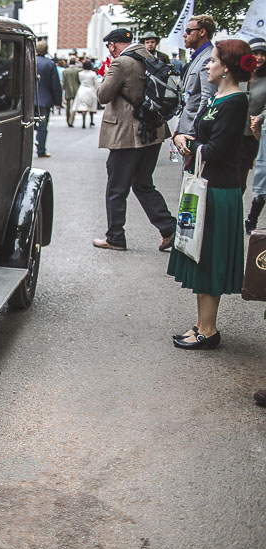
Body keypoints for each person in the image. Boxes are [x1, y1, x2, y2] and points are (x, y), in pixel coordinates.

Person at [169, 40, 255, 349]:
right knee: (199, 257)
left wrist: (187, 143)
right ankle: (202, 325)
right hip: (204, 186)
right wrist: (184, 138)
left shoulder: (235, 102)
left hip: (218, 191)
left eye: (214, 60)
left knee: (209, 259)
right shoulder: (217, 98)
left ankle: (209, 330)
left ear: (227, 67)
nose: (208, 65)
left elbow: (217, 150)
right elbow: (202, 138)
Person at [93, 28, 176, 252]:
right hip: (153, 130)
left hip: (128, 134)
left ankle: (115, 237)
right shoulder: (150, 57)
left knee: (116, 189)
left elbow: (103, 95)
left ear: (112, 45)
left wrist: (106, 73)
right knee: (143, 184)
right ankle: (169, 228)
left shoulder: (121, 63)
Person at [176, 15, 218, 138]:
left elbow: (207, 99)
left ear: (202, 32)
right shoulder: (199, 57)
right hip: (186, 129)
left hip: (194, 133)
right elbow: (189, 99)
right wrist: (179, 127)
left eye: (188, 31)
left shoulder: (209, 58)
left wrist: (193, 132)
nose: (184, 35)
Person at [248, 38, 266, 232]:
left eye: (263, 54)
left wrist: (260, 117)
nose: (259, 58)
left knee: (263, 179)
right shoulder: (239, 75)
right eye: (256, 53)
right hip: (237, 133)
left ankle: (252, 219)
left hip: (258, 134)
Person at [35, 41, 62, 158]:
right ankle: (41, 149)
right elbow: (55, 85)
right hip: (44, 100)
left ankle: (35, 141)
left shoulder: (30, 62)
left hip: (30, 100)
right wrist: (58, 101)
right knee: (42, 126)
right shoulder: (50, 64)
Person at [73, 59, 99, 128]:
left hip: (82, 89)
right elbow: (96, 83)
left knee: (83, 106)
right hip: (91, 90)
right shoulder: (93, 74)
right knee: (91, 106)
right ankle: (91, 121)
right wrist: (98, 90)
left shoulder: (80, 73)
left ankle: (83, 121)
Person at [62, 56, 81, 127]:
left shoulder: (65, 71)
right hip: (77, 90)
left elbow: (63, 82)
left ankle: (68, 120)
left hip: (68, 90)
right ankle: (71, 120)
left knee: (68, 106)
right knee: (74, 106)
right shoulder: (79, 70)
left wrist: (62, 90)